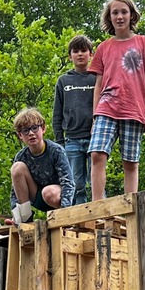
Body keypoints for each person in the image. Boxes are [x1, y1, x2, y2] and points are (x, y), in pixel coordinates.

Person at [89, 0, 145, 201]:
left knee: (130, 161)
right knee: (97, 153)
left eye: (124, 12)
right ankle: (97, 205)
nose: (119, 16)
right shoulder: (103, 48)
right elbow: (98, 84)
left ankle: (130, 205)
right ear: (109, 18)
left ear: (131, 15)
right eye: (115, 13)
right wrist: (95, 116)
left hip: (134, 108)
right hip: (106, 106)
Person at [9, 107, 75, 225]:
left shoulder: (55, 151)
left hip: (57, 196)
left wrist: (66, 211)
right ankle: (25, 218)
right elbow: (15, 191)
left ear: (43, 128)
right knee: (17, 168)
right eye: (25, 130)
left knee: (48, 192)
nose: (31, 133)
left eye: (34, 128)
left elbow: (68, 182)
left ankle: (61, 216)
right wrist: (15, 214)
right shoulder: (21, 156)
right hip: (37, 196)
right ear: (20, 135)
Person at [52, 35, 97, 205]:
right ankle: (79, 218)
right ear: (70, 56)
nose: (80, 54)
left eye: (83, 50)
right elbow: (57, 113)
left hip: (95, 138)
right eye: (75, 51)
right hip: (72, 139)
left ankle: (101, 214)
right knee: (76, 183)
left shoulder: (96, 78)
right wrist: (59, 141)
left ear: (91, 54)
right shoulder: (63, 81)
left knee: (96, 180)